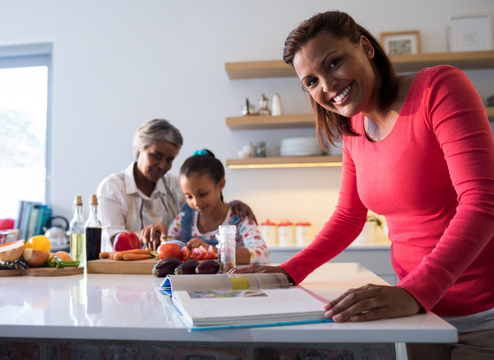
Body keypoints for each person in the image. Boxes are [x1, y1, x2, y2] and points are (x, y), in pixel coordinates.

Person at [233, 11, 494, 359]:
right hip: (418, 315)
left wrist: (415, 292)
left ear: (365, 47)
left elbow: (482, 201)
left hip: (481, 315)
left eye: (334, 62)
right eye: (310, 81)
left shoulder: (439, 88)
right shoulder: (354, 129)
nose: (326, 86)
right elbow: (347, 217)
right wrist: (287, 272)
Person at [97, 119, 256, 251]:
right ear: (138, 150)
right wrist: (147, 234)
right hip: (120, 275)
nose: (162, 165)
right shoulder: (112, 188)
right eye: (156, 156)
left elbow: (203, 206)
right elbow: (114, 241)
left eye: (169, 160)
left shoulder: (175, 185)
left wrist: (231, 205)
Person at [162, 149, 270, 265]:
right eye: (189, 196)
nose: (196, 202)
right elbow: (166, 246)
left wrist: (214, 251)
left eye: (202, 194)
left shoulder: (239, 218)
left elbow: (262, 255)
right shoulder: (185, 218)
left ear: (221, 185)